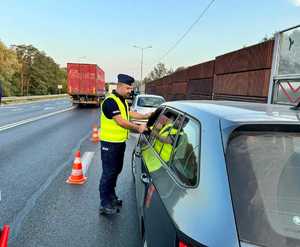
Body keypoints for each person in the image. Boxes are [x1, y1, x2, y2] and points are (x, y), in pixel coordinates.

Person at [99, 74, 150, 215]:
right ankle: (104, 203)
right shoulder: (110, 101)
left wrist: (147, 116)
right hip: (109, 144)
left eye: (131, 88)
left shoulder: (121, 100)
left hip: (119, 143)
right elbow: (120, 121)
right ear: (119, 86)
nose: (130, 91)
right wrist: (138, 128)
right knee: (108, 174)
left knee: (115, 172)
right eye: (128, 88)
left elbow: (130, 114)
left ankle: (112, 197)